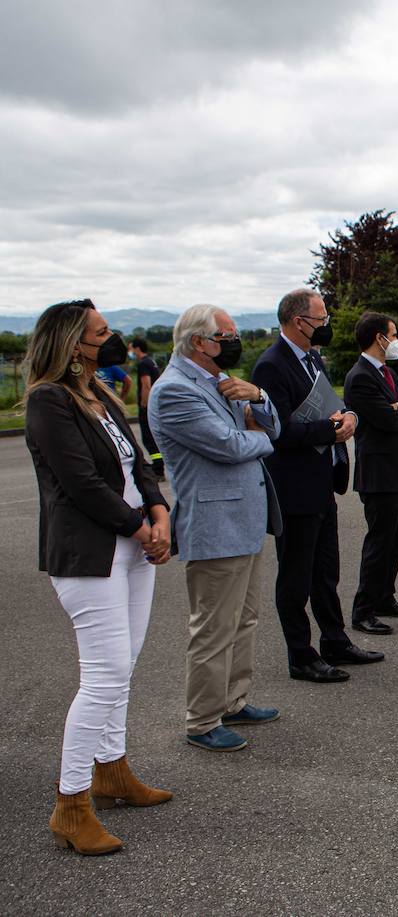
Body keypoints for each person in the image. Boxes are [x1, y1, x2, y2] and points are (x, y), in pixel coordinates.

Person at [23, 299, 173, 856]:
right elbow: (82, 483)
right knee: (104, 675)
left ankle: (112, 772)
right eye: (101, 332)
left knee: (124, 666)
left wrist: (157, 514)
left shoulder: (101, 393)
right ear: (70, 342)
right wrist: (141, 527)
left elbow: (138, 463)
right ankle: (71, 804)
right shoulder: (48, 401)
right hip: (91, 554)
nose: (111, 339)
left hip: (134, 545)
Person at [149, 305, 283, 753]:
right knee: (213, 627)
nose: (233, 341)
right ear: (197, 343)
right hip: (214, 522)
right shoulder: (173, 391)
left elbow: (271, 426)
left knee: (244, 619)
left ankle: (233, 699)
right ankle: (202, 719)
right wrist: (260, 439)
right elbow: (228, 446)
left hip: (245, 518)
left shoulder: (224, 383)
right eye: (224, 335)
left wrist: (260, 399)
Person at [251, 288, 382, 682]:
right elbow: (280, 430)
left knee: (326, 570)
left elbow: (330, 404)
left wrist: (349, 417)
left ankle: (335, 640)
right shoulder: (271, 366)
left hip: (321, 481)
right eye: (321, 318)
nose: (326, 325)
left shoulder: (312, 359)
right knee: (296, 575)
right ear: (298, 321)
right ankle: (301, 654)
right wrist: (329, 429)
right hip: (294, 486)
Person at [345, 312, 398, 632]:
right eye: (393, 334)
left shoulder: (387, 373)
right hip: (378, 472)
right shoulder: (360, 376)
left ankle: (384, 596)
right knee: (379, 541)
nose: (396, 341)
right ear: (380, 338)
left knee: (395, 538)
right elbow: (387, 419)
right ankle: (363, 610)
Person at [129, 337, 164, 477]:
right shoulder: (151, 361)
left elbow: (146, 384)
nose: (130, 351)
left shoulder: (143, 364)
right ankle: (159, 466)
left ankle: (158, 469)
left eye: (131, 348)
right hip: (156, 404)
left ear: (137, 348)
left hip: (148, 406)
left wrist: (144, 405)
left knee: (148, 439)